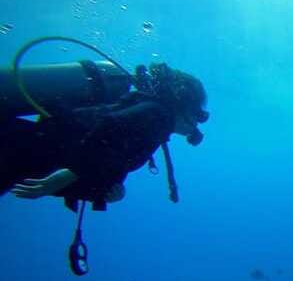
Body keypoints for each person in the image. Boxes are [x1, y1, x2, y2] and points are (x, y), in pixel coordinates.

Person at [0, 60, 209, 211]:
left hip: (29, 151)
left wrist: (107, 192)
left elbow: (105, 157)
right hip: (27, 149)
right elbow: (109, 126)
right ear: (184, 105)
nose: (197, 122)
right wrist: (70, 173)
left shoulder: (154, 123)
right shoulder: (157, 115)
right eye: (198, 113)